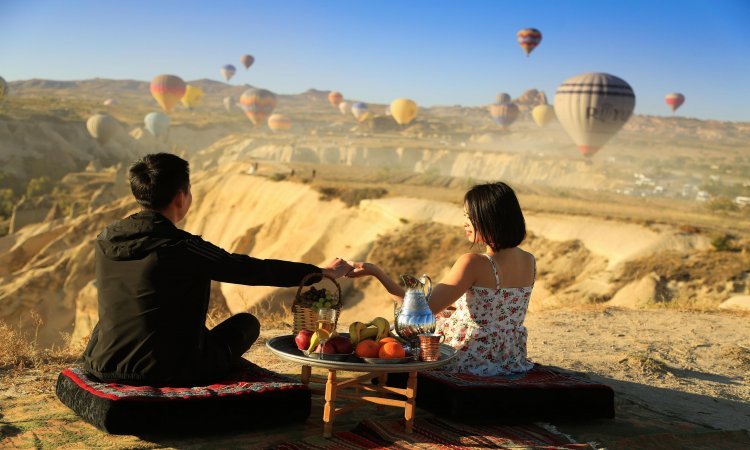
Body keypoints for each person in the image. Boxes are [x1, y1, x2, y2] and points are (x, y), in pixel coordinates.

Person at [83, 153, 352, 386]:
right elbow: (249, 269)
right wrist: (319, 272)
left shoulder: (106, 238)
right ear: (180, 197)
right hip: (171, 370)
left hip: (102, 362)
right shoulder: (182, 247)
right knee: (247, 323)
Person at [347, 182, 535, 376]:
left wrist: (377, 273)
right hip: (510, 358)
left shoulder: (472, 263)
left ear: (490, 218)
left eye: (470, 217)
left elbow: (418, 316)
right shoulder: (529, 260)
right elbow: (495, 310)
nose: (465, 223)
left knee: (401, 339)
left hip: (470, 357)